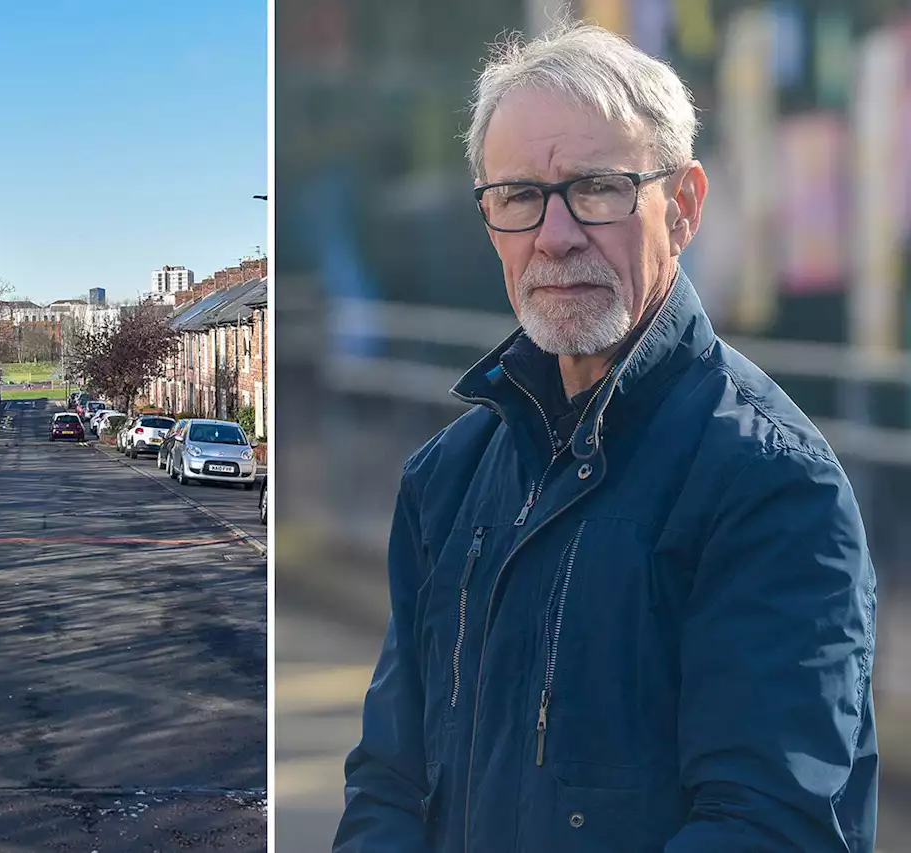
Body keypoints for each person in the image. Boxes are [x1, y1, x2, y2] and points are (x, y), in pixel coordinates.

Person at [333, 21, 878, 853]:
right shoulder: (444, 479)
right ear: (489, 223)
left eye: (597, 187)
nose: (555, 236)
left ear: (685, 204)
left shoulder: (771, 485)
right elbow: (391, 784)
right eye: (518, 196)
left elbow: (767, 824)